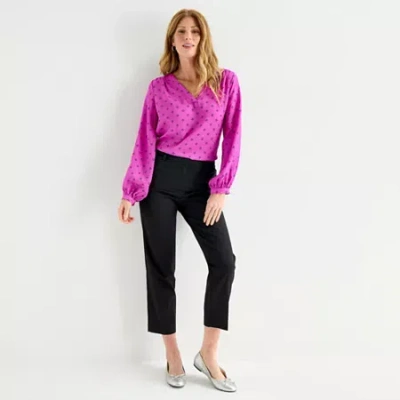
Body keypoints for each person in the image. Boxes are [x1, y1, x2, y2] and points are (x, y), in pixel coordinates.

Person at [117, 8, 242, 392]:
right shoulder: (159, 88)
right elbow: (145, 140)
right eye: (181, 31)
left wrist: (220, 188)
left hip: (202, 181)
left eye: (195, 31)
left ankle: (208, 353)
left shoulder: (225, 82)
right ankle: (172, 352)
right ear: (172, 40)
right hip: (160, 182)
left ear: (203, 38)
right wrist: (131, 190)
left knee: (223, 262)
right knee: (161, 267)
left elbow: (233, 137)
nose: (188, 37)